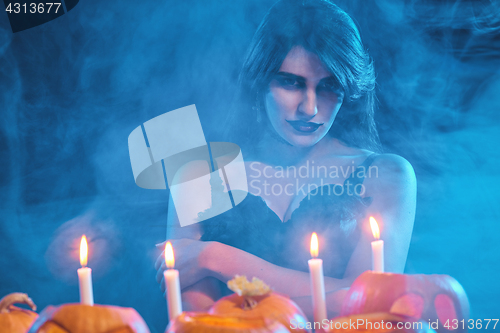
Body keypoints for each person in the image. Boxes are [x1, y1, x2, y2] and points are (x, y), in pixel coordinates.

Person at [155, 0, 416, 320]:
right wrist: (332, 297)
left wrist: (213, 256)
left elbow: (368, 307)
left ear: (348, 89)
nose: (309, 108)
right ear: (260, 79)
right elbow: (198, 322)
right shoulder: (197, 175)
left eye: (329, 86)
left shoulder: (386, 175)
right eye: (291, 82)